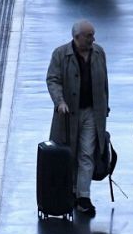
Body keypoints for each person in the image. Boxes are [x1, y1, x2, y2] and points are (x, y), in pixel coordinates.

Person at [45, 19, 110, 217]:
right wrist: (60, 102)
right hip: (68, 114)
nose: (93, 39)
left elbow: (104, 82)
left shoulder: (99, 53)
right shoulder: (60, 54)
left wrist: (104, 106)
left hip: (92, 112)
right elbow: (53, 79)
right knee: (69, 152)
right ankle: (69, 190)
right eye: (89, 36)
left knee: (87, 152)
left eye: (93, 35)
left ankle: (83, 196)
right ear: (76, 37)